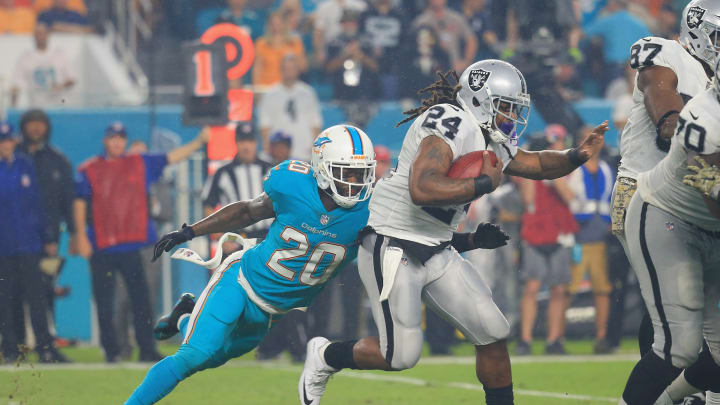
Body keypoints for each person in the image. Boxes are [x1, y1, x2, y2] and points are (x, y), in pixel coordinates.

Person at [299, 60, 608, 405]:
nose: (511, 117)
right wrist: (482, 183)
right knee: (399, 355)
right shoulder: (451, 121)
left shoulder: (491, 136)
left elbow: (533, 163)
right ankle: (325, 356)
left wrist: (576, 155)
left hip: (438, 247)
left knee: (492, 332)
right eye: (506, 107)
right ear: (481, 100)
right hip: (392, 240)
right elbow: (423, 187)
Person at [124, 124, 377, 404]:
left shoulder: (371, 213)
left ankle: (183, 316)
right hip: (242, 282)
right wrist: (189, 231)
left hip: (272, 313)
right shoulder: (293, 185)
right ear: (322, 167)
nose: (354, 182)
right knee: (192, 356)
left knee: (209, 358)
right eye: (346, 172)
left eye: (361, 173)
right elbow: (247, 211)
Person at [609, 1, 720, 402]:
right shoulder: (669, 53)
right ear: (697, 31)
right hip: (645, 193)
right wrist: (677, 125)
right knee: (676, 317)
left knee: (691, 316)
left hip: (699, 203)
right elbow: (662, 93)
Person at [71, 122, 209, 363]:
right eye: (113, 137)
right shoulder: (90, 169)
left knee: (141, 300)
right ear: (106, 141)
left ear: (124, 141)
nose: (117, 142)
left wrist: (198, 143)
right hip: (102, 245)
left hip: (131, 245)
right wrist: (81, 234)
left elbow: (171, 157)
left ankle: (146, 348)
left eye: (120, 137)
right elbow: (80, 201)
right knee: (105, 301)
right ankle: (111, 350)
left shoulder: (138, 163)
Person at [0, 122, 67, 363]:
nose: (5, 145)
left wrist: (47, 236)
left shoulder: (24, 165)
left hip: (29, 244)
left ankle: (45, 348)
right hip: (3, 247)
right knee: (5, 300)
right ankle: (10, 349)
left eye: (8, 140)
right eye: (2, 141)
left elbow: (37, 205)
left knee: (37, 298)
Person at [516, 126, 578, 356]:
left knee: (559, 289)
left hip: (560, 232)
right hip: (536, 232)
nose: (554, 147)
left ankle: (554, 340)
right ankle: (525, 339)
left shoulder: (571, 168)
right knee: (531, 286)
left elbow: (570, 197)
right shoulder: (534, 167)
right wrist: (534, 166)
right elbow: (528, 200)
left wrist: (557, 173)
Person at [17, 109, 76, 344]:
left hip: (48, 237)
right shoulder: (13, 157)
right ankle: (16, 340)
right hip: (13, 237)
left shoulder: (57, 160)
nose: (35, 128)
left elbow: (67, 200)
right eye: (31, 123)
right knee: (11, 289)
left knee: (44, 289)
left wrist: (71, 232)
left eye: (39, 123)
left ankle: (46, 338)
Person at [567, 143, 615, 354]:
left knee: (602, 289)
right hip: (578, 234)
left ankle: (602, 337)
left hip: (600, 235)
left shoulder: (605, 168)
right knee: (569, 288)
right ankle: (556, 338)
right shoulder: (575, 169)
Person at [202, 122, 274, 240]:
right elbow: (208, 204)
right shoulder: (222, 173)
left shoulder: (271, 170)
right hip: (236, 238)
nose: (246, 146)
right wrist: (220, 237)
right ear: (236, 142)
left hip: (267, 237)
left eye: (250, 141)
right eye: (242, 141)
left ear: (256, 143)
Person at [259, 54, 322, 161]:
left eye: (292, 69)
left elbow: (315, 124)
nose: (289, 72)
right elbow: (265, 126)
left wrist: (314, 150)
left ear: (297, 70)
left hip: (304, 154)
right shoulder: (270, 95)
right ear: (281, 70)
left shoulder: (308, 93)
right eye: (286, 69)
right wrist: (269, 149)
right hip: (279, 156)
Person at [10, 23, 75, 108]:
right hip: (37, 107)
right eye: (37, 34)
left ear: (48, 35)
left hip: (60, 105)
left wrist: (61, 86)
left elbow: (71, 79)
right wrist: (13, 107)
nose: (40, 37)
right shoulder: (25, 57)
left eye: (42, 33)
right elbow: (17, 84)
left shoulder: (59, 54)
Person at [252, 11, 307, 88]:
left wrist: (293, 57)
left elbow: (303, 67)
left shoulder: (295, 43)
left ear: (285, 24)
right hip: (266, 87)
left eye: (279, 23)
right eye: (273, 23)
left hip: (288, 87)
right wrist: (256, 88)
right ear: (268, 25)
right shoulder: (261, 43)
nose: (276, 26)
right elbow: (257, 68)